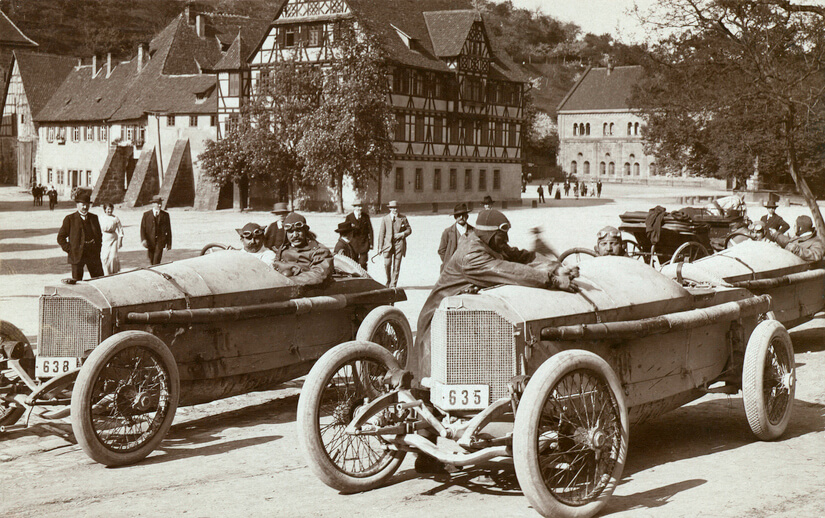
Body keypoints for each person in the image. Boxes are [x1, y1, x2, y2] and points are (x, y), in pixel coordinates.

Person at [408, 209, 579, 387]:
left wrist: (556, 267)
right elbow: (509, 271)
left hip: (462, 315)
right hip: (439, 321)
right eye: (501, 235)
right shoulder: (472, 255)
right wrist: (553, 280)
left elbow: (523, 257)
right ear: (489, 234)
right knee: (435, 383)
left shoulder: (489, 244)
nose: (506, 240)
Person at [273, 212, 333, 285]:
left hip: (309, 289)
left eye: (298, 230)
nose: (295, 235)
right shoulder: (283, 249)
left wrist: (287, 281)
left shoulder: (319, 251)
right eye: (291, 232)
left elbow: (318, 274)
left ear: (305, 231)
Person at [57, 190, 104, 280]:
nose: (85, 207)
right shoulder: (70, 219)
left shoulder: (94, 218)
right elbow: (60, 238)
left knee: (99, 279)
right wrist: (70, 250)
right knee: (77, 281)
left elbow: (99, 235)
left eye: (87, 205)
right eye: (83, 205)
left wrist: (97, 248)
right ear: (77, 205)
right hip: (77, 254)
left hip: (92, 253)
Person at [376, 200, 411, 288]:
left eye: (396, 208)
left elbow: (409, 230)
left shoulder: (403, 218)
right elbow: (381, 234)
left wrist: (402, 234)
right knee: (387, 264)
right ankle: (388, 280)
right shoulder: (385, 219)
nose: (394, 210)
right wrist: (380, 247)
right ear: (389, 209)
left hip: (399, 244)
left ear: (398, 208)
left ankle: (393, 284)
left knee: (397, 265)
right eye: (392, 208)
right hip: (387, 245)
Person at [438, 202, 473, 270]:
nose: (461, 217)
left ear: (467, 216)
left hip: (468, 268)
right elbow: (441, 250)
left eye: (463, 215)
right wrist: (448, 262)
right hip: (451, 269)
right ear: (455, 217)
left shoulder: (473, 231)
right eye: (458, 215)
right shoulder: (447, 232)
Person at [140, 195, 172, 265]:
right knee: (151, 260)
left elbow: (168, 230)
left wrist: (169, 243)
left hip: (160, 242)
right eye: (158, 203)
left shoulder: (165, 215)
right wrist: (143, 240)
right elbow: (142, 228)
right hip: (150, 241)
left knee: (156, 261)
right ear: (153, 204)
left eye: (160, 203)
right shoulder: (146, 215)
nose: (160, 205)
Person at [344, 198, 374, 269]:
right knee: (354, 263)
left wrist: (371, 243)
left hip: (364, 243)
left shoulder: (366, 216)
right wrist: (346, 242)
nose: (360, 208)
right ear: (354, 207)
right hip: (353, 244)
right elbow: (345, 230)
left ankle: (364, 275)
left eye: (361, 206)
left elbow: (370, 230)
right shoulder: (349, 217)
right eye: (358, 206)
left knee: (363, 263)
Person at [99, 203, 124, 275]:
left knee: (113, 257)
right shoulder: (101, 218)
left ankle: (113, 272)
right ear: (105, 210)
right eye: (108, 209)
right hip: (104, 238)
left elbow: (120, 230)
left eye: (111, 209)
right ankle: (106, 273)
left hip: (113, 239)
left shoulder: (115, 218)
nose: (109, 211)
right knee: (104, 257)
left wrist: (120, 241)